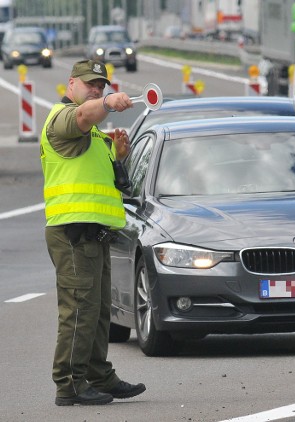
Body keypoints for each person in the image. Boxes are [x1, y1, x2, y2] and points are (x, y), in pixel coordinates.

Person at [40, 59, 146, 406]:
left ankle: (99, 374)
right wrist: (107, 103)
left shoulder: (96, 136)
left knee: (99, 309)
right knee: (79, 308)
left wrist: (118, 156)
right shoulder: (62, 119)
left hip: (93, 233)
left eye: (101, 86)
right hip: (72, 232)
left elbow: (111, 183)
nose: (96, 89)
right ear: (71, 85)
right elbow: (84, 116)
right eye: (90, 85)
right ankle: (69, 383)